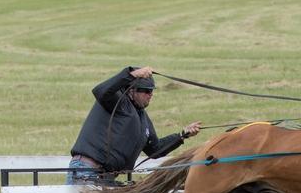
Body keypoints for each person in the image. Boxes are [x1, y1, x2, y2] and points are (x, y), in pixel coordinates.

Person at [67, 66, 201, 185]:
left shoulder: (142, 117)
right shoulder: (117, 101)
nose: (150, 95)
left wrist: (182, 135)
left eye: (152, 91)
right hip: (86, 171)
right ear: (131, 90)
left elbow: (155, 150)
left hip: (106, 176)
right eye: (146, 91)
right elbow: (100, 91)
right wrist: (131, 74)